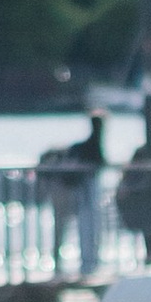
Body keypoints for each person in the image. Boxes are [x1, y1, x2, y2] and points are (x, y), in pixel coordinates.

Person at [35, 113, 110, 279]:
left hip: (75, 194)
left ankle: (74, 265)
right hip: (70, 193)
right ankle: (64, 265)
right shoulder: (87, 149)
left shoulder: (86, 148)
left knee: (68, 228)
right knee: (67, 228)